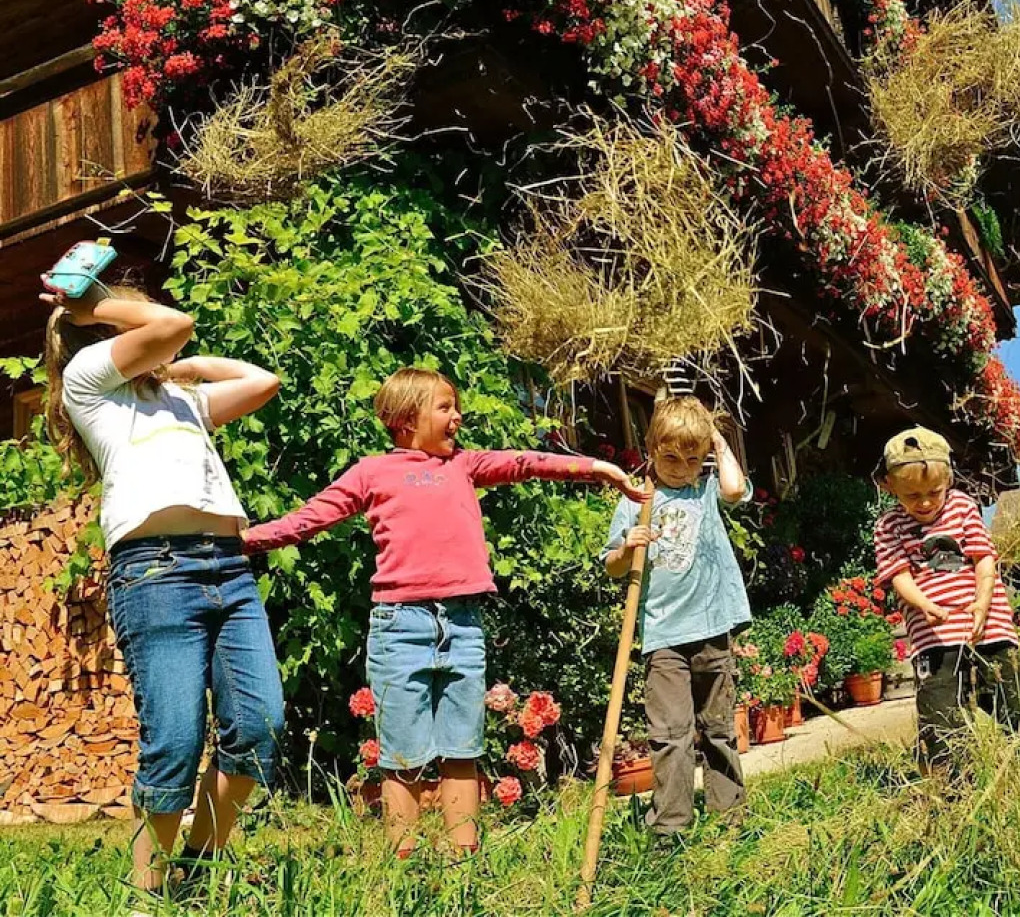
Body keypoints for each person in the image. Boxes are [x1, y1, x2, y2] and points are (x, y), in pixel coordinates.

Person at [243, 366, 643, 855]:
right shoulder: (373, 471)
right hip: (400, 627)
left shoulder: (465, 466)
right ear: (407, 418)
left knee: (462, 751)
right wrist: (247, 540)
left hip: (462, 626)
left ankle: (461, 864)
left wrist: (595, 468)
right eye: (445, 407)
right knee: (403, 757)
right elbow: (312, 516)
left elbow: (525, 462)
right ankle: (403, 866)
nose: (457, 417)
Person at [42, 279, 284, 901]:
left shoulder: (182, 402)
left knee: (259, 726)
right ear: (102, 328)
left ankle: (197, 868)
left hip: (228, 568)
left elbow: (262, 382)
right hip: (156, 574)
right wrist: (91, 306)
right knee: (174, 741)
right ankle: (145, 898)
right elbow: (173, 323)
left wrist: (193, 369)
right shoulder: (88, 384)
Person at [601, 396, 752, 836]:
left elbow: (736, 490)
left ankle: (730, 820)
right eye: (670, 457)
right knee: (671, 733)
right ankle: (671, 826)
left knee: (718, 727)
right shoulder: (636, 499)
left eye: (692, 459)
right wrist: (628, 545)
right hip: (664, 634)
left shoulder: (704, 490)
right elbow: (612, 567)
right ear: (650, 448)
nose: (681, 468)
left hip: (711, 628)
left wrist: (718, 442)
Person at [873, 426, 1020, 771]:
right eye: (911, 495)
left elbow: (984, 558)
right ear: (889, 486)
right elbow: (898, 574)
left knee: (1015, 700)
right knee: (941, 712)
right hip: (934, 638)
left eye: (934, 492)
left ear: (948, 479)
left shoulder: (963, 507)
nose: (925, 503)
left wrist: (983, 602)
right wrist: (922, 603)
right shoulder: (889, 526)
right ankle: (952, 782)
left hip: (987, 628)